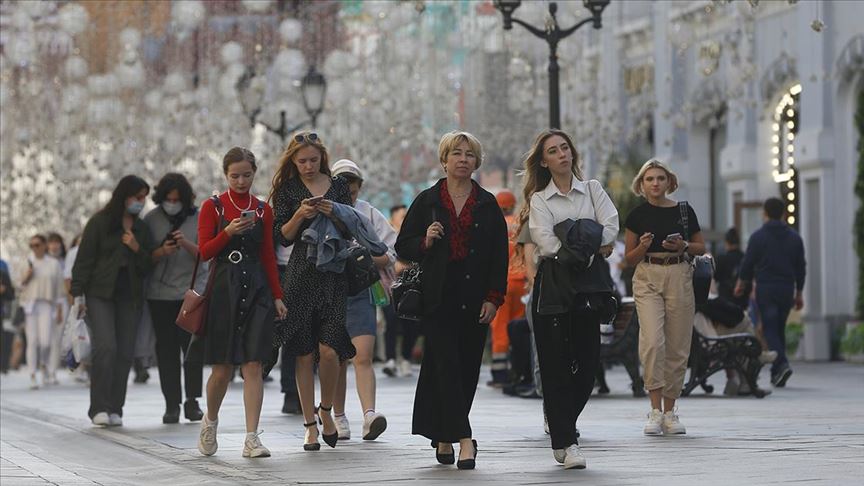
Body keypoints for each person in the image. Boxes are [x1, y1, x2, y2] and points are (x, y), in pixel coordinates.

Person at [395, 131, 508, 470]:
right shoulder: (428, 200)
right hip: (438, 296)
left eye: (469, 154)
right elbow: (403, 246)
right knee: (445, 364)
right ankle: (465, 438)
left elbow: (499, 255)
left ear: (476, 162)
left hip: (475, 297)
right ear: (444, 160)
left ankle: (444, 434)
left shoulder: (487, 203)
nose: (463, 159)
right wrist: (425, 241)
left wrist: (494, 297)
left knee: (467, 368)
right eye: (456, 153)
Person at [525, 129, 619, 469]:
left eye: (565, 147)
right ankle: (566, 440)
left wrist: (578, 240)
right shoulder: (539, 199)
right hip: (553, 284)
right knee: (554, 364)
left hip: (589, 286)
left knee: (588, 364)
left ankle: (561, 421)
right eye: (553, 150)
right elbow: (545, 240)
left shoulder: (592, 189)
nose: (562, 154)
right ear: (544, 161)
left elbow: (610, 227)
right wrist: (588, 242)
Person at [192, 147, 287, 458]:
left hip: (257, 288)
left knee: (253, 364)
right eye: (235, 176)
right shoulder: (213, 207)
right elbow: (204, 251)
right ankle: (210, 420)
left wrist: (277, 295)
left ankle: (251, 437)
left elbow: (269, 255)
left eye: (247, 175)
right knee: (222, 367)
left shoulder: (262, 210)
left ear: (254, 173)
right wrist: (228, 232)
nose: (241, 181)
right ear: (225, 175)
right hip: (225, 289)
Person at [271, 131, 356, 451]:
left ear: (323, 158)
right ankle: (309, 425)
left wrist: (335, 211)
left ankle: (326, 410)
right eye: (302, 161)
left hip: (333, 274)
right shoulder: (288, 189)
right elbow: (282, 236)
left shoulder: (338, 185)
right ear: (293, 161)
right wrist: (300, 215)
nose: (308, 166)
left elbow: (351, 227)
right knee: (303, 352)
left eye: (314, 160)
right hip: (300, 274)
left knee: (331, 349)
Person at [624, 159, 706, 436]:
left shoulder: (684, 211)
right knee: (652, 342)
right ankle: (655, 410)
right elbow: (629, 259)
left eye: (660, 178)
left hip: (679, 274)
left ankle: (670, 411)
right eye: (649, 179)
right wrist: (643, 246)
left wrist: (684, 245)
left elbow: (700, 247)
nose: (655, 183)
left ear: (669, 182)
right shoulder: (636, 215)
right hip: (648, 274)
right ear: (641, 184)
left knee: (678, 345)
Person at [71, 175, 155, 426]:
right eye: (137, 197)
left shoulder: (141, 228)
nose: (141, 202)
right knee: (106, 347)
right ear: (124, 196)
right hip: (100, 293)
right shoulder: (100, 222)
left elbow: (148, 265)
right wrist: (78, 293)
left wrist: (136, 247)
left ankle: (115, 407)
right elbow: (84, 260)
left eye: (144, 198)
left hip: (130, 296)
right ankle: (98, 407)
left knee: (125, 352)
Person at [330, 158, 396, 441]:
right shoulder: (324, 211)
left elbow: (390, 253)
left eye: (353, 187)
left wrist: (363, 256)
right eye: (342, 187)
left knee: (363, 356)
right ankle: (338, 415)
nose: (349, 192)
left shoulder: (369, 213)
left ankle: (369, 415)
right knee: (336, 359)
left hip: (361, 292)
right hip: (330, 293)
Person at [144, 173, 206, 424]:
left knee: (192, 349)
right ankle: (171, 404)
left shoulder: (198, 217)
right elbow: (143, 257)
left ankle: (192, 401)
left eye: (176, 200)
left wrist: (186, 243)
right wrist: (162, 251)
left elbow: (207, 253)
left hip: (190, 294)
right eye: (167, 200)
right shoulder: (151, 219)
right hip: (159, 295)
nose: (172, 204)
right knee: (166, 351)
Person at [735, 197, 805, 388]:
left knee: (769, 328)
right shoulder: (795, 237)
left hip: (766, 287)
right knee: (779, 327)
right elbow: (800, 267)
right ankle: (777, 373)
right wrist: (799, 292)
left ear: (764, 213)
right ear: (783, 213)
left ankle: (781, 364)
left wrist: (741, 282)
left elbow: (748, 263)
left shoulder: (758, 237)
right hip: (786, 288)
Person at [488, 190, 527, 388]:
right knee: (519, 327)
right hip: (523, 282)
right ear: (512, 205)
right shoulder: (521, 224)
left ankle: (500, 374)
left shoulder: (493, 224)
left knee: (500, 327)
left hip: (502, 283)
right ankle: (518, 370)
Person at [19, 234, 65, 389]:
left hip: (47, 304)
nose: (35, 248)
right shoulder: (27, 262)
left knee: (46, 342)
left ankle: (44, 364)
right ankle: (32, 374)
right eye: (32, 245)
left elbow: (59, 288)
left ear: (45, 245)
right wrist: (27, 275)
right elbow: (19, 285)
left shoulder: (53, 264)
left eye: (37, 244)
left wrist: (59, 309)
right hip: (30, 305)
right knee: (32, 341)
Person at [381, 205, 418, 378]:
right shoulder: (385, 237)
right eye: (402, 216)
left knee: (411, 323)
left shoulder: (412, 236)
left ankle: (406, 358)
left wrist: (406, 266)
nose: (405, 219)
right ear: (392, 218)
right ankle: (390, 359)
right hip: (389, 288)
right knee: (391, 321)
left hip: (410, 288)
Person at [276, 243, 302, 415]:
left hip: (315, 268)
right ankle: (291, 392)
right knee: (291, 335)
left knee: (309, 337)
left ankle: (301, 394)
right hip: (284, 269)